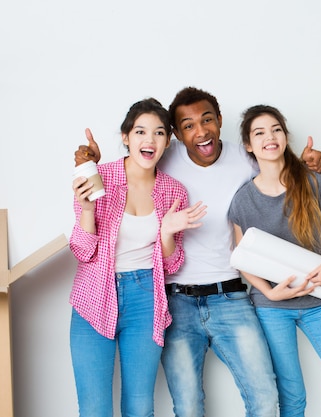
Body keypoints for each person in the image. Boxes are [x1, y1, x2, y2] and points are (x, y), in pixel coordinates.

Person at [74, 87, 321, 417]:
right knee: (169, 407)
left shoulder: (231, 163)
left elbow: (280, 168)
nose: (201, 130)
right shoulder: (133, 170)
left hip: (219, 297)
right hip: (157, 298)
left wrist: (311, 166)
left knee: (262, 399)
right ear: (176, 135)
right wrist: (89, 169)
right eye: (188, 125)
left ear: (219, 121)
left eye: (207, 120)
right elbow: (85, 247)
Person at [69, 98, 206, 417]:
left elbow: (172, 265)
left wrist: (167, 233)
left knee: (140, 406)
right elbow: (83, 251)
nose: (150, 140)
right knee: (94, 409)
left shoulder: (174, 191)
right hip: (94, 296)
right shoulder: (98, 177)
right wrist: (88, 209)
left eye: (159, 133)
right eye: (141, 131)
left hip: (146, 298)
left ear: (168, 141)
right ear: (126, 137)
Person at [228, 105, 321, 417]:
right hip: (272, 308)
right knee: (293, 399)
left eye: (276, 129)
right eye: (259, 133)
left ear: (285, 136)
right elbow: (242, 257)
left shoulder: (313, 180)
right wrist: (271, 292)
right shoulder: (243, 200)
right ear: (249, 145)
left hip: (320, 300)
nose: (270, 137)